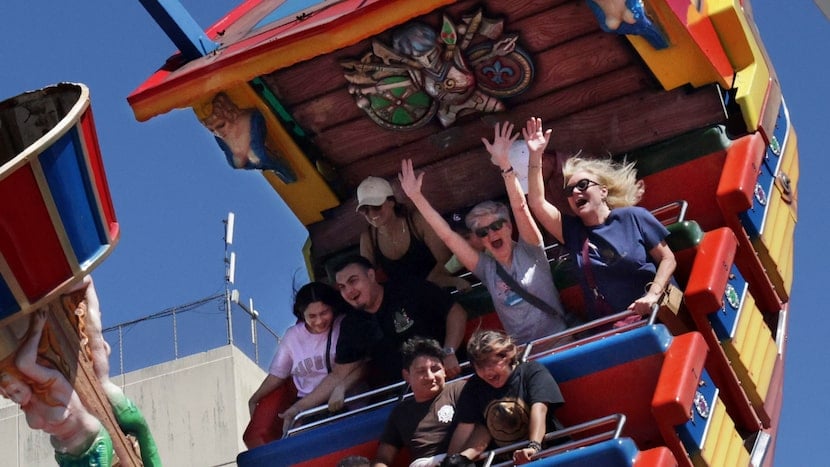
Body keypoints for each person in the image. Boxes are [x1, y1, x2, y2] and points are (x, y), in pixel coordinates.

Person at [398, 121, 572, 344]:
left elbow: (520, 207)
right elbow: (449, 237)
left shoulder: (531, 249)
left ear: (509, 227)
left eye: (497, 226)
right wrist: (416, 198)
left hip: (561, 341)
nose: (491, 234)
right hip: (524, 357)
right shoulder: (487, 269)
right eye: (483, 232)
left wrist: (505, 165)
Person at [279, 256, 467, 432]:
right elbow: (338, 375)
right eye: (342, 287)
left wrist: (449, 352)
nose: (349, 291)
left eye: (353, 281)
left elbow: (455, 312)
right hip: (406, 398)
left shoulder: (407, 288)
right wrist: (296, 409)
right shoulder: (353, 324)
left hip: (449, 379)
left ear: (371, 275)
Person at [523, 117, 676, 321]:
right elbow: (536, 203)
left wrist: (652, 295)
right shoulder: (572, 231)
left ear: (603, 191)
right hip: (614, 327)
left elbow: (667, 258)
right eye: (570, 190)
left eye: (583, 185)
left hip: (657, 314)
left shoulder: (633, 217)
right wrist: (535, 156)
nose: (576, 192)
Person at [246, 282, 358, 446]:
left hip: (347, 401)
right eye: (312, 316)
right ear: (301, 314)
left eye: (324, 313)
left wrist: (342, 387)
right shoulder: (292, 336)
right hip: (308, 410)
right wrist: (255, 398)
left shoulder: (344, 325)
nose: (319, 321)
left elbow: (361, 364)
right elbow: (278, 374)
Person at [0, 309, 114, 466]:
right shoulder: (28, 406)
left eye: (17, 390)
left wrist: (37, 330)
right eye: (10, 395)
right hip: (64, 457)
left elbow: (23, 363)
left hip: (93, 447)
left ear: (26, 379)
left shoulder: (54, 383)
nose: (15, 397)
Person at [446, 330, 564, 465]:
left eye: (492, 363)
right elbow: (467, 429)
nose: (487, 371)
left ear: (508, 355)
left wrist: (533, 447)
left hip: (550, 453)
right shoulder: (474, 387)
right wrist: (451, 461)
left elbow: (540, 409)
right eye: (480, 366)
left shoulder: (532, 371)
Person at [357, 176, 470, 291]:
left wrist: (445, 282)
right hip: (402, 301)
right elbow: (367, 281)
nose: (371, 213)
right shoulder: (368, 238)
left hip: (437, 289)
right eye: (365, 210)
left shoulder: (417, 221)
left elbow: (445, 259)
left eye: (376, 206)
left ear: (391, 202)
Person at [373, 337, 466, 467]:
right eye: (421, 371)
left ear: (444, 369)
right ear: (407, 376)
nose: (430, 377)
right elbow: (383, 457)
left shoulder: (460, 390)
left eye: (435, 369)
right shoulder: (400, 412)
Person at [199, 92, 296, 182]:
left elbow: (256, 130)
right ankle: (275, 167)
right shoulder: (221, 137)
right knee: (238, 163)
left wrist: (248, 152)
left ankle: (277, 166)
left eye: (221, 125)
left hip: (257, 149)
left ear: (230, 115)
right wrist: (238, 157)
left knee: (258, 155)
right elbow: (229, 152)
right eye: (212, 130)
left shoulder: (247, 119)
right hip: (246, 156)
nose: (218, 132)